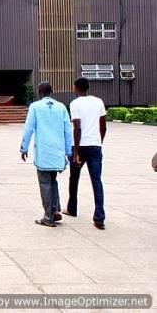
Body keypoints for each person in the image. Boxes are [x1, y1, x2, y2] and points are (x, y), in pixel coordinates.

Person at [20, 82, 72, 227]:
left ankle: (48, 217)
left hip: (44, 152)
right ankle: (55, 210)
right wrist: (69, 151)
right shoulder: (61, 107)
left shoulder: (35, 107)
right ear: (52, 91)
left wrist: (24, 148)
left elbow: (28, 128)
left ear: (39, 92)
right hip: (57, 152)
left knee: (44, 183)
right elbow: (68, 131)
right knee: (53, 180)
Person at [64, 77, 107, 230]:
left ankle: (72, 208)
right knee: (96, 180)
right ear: (88, 87)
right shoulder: (98, 102)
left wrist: (75, 152)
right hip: (95, 146)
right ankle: (99, 217)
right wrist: (99, 142)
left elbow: (77, 128)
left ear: (76, 88)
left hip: (80, 147)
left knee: (74, 178)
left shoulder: (75, 104)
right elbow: (103, 126)